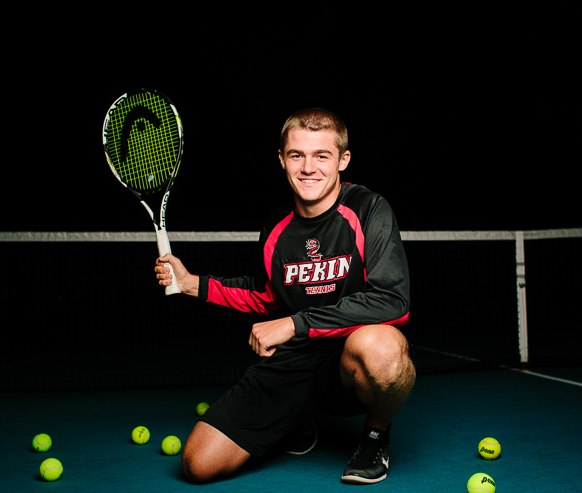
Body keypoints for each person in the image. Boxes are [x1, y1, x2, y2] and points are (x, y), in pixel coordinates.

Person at [154, 107, 415, 484]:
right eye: (297, 155)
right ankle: (296, 418)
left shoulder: (369, 209)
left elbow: (392, 301)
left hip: (347, 358)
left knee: (385, 348)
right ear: (282, 159)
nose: (308, 167)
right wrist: (192, 281)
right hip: (293, 362)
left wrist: (294, 325)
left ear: (343, 160)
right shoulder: (276, 227)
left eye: (321, 155)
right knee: (198, 464)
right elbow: (264, 295)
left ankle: (375, 437)